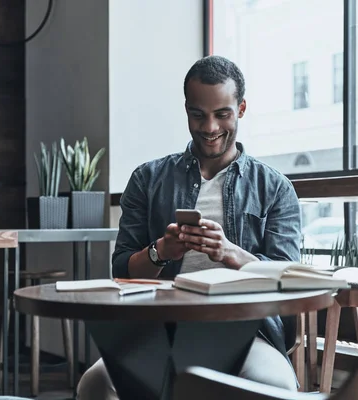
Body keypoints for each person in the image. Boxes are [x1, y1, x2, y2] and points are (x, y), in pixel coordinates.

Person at [77, 55, 302, 399]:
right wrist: (160, 252)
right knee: (94, 385)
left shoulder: (275, 188)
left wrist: (231, 253)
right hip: (159, 329)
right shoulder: (147, 179)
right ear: (186, 111)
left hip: (246, 332)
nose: (210, 127)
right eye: (198, 115)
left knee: (277, 388)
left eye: (222, 114)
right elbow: (121, 270)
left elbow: (288, 281)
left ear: (241, 109)